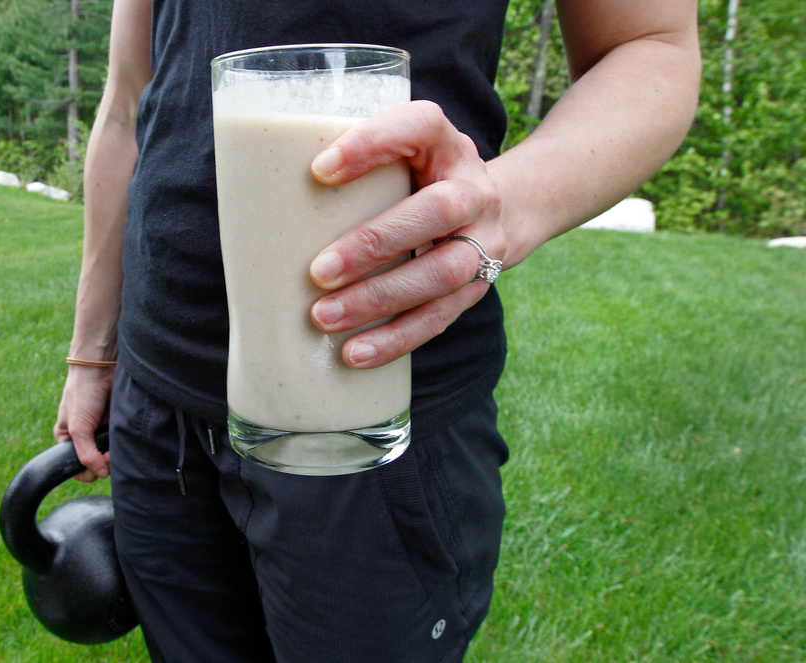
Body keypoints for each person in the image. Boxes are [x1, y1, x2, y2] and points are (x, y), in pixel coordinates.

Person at [54, 1, 701, 661]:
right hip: (157, 407)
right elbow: (129, 95)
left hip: (373, 413)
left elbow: (651, 45)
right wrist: (94, 353)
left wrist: (502, 204)